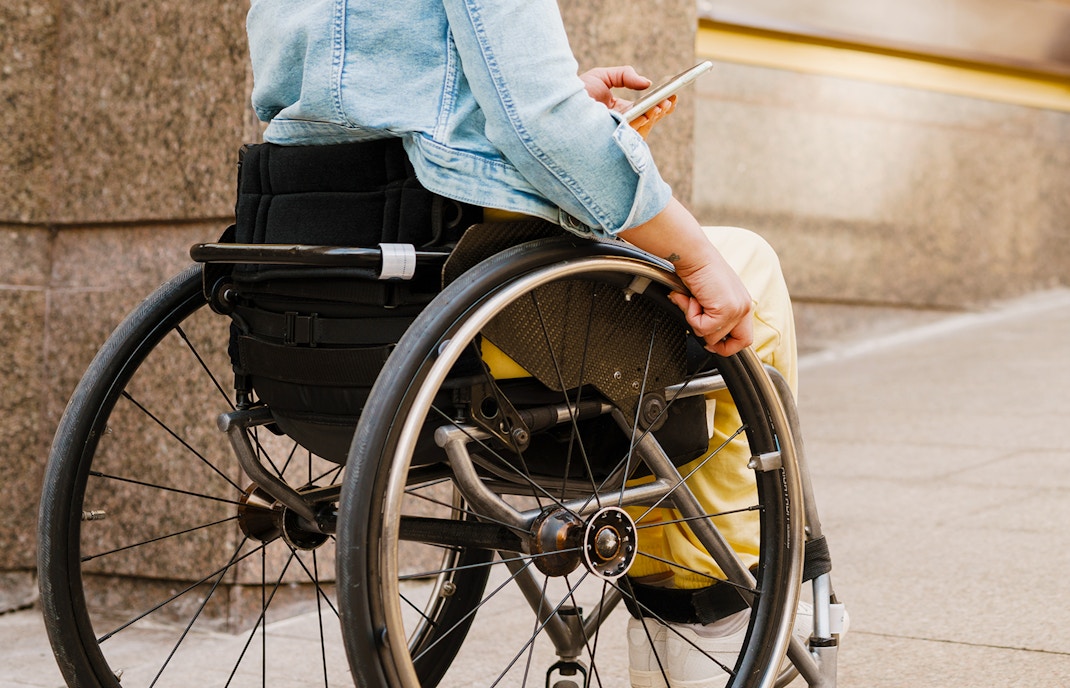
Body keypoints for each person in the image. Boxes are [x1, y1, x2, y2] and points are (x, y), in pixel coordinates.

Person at [246, 0, 801, 685]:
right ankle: (704, 620)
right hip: (473, 308)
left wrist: (557, 117)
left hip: (321, 299)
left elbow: (358, 103)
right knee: (747, 267)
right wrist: (693, 256)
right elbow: (540, 124)